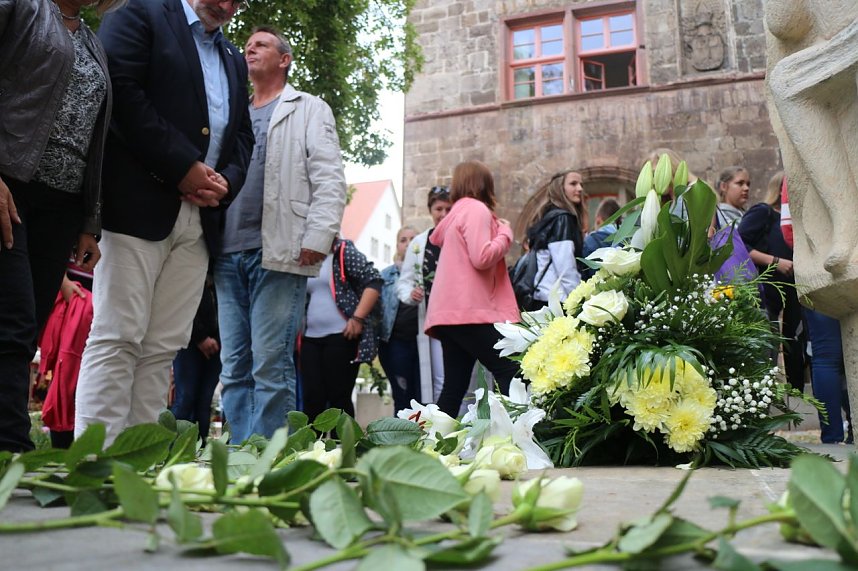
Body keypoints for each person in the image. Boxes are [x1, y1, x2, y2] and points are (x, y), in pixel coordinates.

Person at [74, 0, 254, 443]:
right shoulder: (140, 12)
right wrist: (181, 167)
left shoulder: (232, 57)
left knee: (162, 347)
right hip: (137, 206)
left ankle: (136, 456)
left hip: (200, 219)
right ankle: (95, 458)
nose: (227, 5)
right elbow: (120, 91)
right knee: (119, 334)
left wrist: (224, 183)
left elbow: (243, 138)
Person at [215, 27, 347, 442]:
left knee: (270, 362)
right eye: (247, 45)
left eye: (262, 44)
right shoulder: (230, 108)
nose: (249, 49)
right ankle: (239, 452)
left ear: (284, 59)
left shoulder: (308, 108)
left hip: (281, 248)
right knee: (233, 365)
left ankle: (269, 454)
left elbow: (329, 177)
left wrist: (319, 235)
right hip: (224, 250)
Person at [0, 0, 120, 452]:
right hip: (10, 185)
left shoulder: (92, 41)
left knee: (27, 327)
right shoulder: (21, 7)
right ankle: (10, 446)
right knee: (11, 319)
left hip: (62, 206)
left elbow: (95, 136)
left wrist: (90, 219)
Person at [424, 161, 521, 417]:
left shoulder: (455, 214)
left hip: (449, 315)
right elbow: (482, 257)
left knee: (453, 387)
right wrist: (505, 234)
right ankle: (522, 437)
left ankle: (433, 447)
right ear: (484, 185)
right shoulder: (476, 210)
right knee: (510, 371)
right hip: (470, 311)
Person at [780, 179, 852, 443]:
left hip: (815, 267)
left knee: (825, 357)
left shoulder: (793, 175)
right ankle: (854, 428)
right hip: (852, 261)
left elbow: (787, 230)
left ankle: (832, 434)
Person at [301, 239, 382, 422]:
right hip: (310, 337)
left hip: (342, 336)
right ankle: (311, 449)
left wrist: (357, 318)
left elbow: (374, 281)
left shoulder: (344, 252)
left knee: (339, 398)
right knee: (312, 398)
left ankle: (344, 448)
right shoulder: (304, 256)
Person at [738, 171, 804, 392]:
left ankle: (795, 393)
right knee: (769, 346)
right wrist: (775, 262)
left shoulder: (792, 220)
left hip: (790, 290)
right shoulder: (763, 213)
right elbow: (738, 246)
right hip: (766, 293)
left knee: (794, 340)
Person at [396, 186, 452, 403]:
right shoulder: (420, 243)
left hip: (463, 319)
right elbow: (404, 283)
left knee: (468, 380)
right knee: (440, 379)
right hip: (434, 321)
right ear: (431, 210)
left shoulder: (463, 236)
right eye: (439, 208)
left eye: (449, 208)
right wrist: (412, 294)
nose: (444, 214)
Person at [513, 170, 587, 310]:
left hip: (541, 297)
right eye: (573, 184)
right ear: (560, 188)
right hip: (557, 301)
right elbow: (566, 268)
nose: (580, 189)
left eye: (581, 184)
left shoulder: (549, 216)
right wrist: (579, 301)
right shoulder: (562, 219)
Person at [171, 275, 220, 443]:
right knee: (185, 397)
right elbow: (182, 305)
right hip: (188, 342)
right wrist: (200, 337)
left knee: (209, 401)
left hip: (218, 344)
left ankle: (206, 447)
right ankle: (172, 446)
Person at [379, 226, 420, 412]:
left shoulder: (426, 273)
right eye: (403, 240)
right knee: (402, 394)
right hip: (396, 342)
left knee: (423, 394)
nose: (408, 243)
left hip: (423, 342)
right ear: (397, 245)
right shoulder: (386, 275)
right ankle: (402, 436)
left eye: (413, 239)